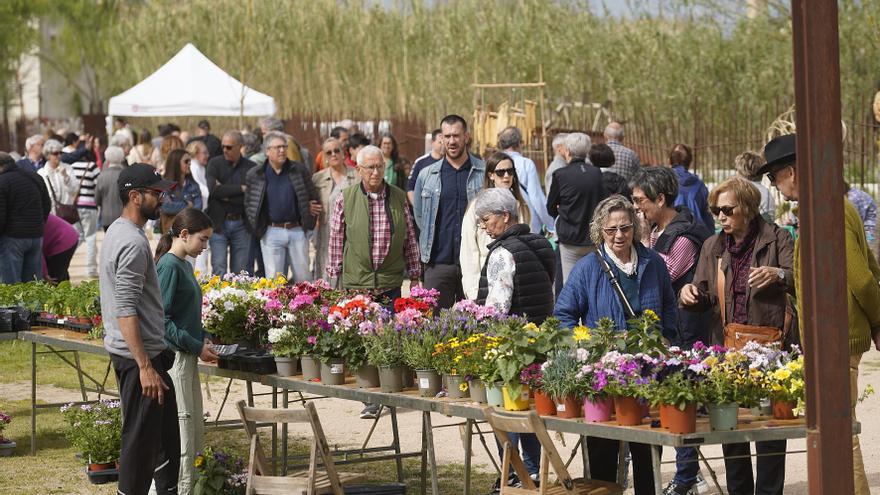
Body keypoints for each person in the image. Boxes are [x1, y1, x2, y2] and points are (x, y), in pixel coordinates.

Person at [760, 133, 880, 495]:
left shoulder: (826, 209)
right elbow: (870, 265)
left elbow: (860, 278)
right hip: (833, 335)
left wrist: (878, 320)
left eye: (774, 177)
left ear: (792, 172)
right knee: (838, 431)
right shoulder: (830, 205)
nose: (775, 186)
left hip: (836, 337)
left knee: (840, 432)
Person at [554, 194, 676, 495]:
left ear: (635, 226)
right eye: (611, 230)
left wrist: (667, 340)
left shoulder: (653, 263)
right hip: (604, 376)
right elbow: (564, 315)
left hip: (647, 374)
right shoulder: (588, 268)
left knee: (648, 452)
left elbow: (670, 310)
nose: (619, 235)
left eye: (625, 227)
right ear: (600, 231)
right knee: (602, 456)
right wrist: (585, 348)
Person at [680, 176, 793, 495]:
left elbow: (802, 280)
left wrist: (778, 274)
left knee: (770, 432)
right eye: (716, 210)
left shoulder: (778, 238)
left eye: (727, 210)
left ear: (747, 208)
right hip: (727, 349)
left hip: (771, 349)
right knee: (732, 431)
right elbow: (704, 295)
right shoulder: (712, 246)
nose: (720, 217)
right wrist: (690, 294)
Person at [630, 166, 712, 495]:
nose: (637, 208)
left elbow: (655, 274)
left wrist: (638, 236)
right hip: (669, 329)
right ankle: (664, 477)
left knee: (681, 403)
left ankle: (687, 478)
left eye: (640, 202)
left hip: (686, 332)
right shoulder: (659, 230)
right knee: (661, 406)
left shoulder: (682, 236)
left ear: (660, 199)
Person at [99, 163, 179, 495]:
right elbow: (125, 307)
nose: (162, 198)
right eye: (156, 193)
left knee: (164, 441)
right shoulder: (131, 242)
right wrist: (145, 366)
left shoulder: (119, 230)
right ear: (135, 196)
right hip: (139, 359)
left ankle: (167, 489)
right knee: (140, 443)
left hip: (141, 353)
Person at [473, 188, 553, 491]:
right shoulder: (541, 244)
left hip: (510, 346)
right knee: (529, 411)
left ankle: (512, 472)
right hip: (538, 341)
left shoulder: (503, 253)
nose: (483, 226)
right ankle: (532, 472)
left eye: (485, 219)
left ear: (504, 216)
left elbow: (496, 308)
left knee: (507, 412)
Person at [154, 208, 219, 494]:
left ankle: (192, 488)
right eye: (202, 240)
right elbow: (162, 320)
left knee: (194, 430)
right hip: (176, 359)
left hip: (189, 354)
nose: (205, 247)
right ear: (184, 234)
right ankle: (178, 489)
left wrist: (202, 338)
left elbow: (186, 314)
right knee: (183, 432)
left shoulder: (185, 264)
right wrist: (195, 345)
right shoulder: (168, 266)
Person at [326, 144, 421, 295]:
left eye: (379, 167)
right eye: (370, 167)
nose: (376, 173)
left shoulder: (399, 197)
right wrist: (333, 278)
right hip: (357, 285)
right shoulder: (345, 198)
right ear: (359, 170)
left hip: (390, 284)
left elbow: (409, 238)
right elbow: (336, 240)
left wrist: (415, 275)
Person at [413, 115, 486, 308]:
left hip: (474, 262)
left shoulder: (483, 173)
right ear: (441, 139)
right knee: (436, 328)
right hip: (438, 263)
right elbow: (420, 216)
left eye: (456, 135)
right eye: (447, 136)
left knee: (475, 327)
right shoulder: (426, 175)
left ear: (466, 137)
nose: (452, 141)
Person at [244, 130, 320, 282]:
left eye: (284, 146)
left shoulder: (298, 170)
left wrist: (308, 210)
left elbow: (312, 196)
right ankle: (276, 307)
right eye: (277, 147)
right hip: (271, 231)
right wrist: (260, 229)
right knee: (274, 280)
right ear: (267, 151)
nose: (282, 150)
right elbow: (249, 204)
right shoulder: (256, 174)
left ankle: (306, 306)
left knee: (303, 279)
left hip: (297, 230)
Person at [460, 151, 531, 300]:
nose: (506, 176)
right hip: (486, 280)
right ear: (491, 175)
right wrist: (473, 291)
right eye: (500, 172)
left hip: (517, 280)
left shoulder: (521, 205)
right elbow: (469, 249)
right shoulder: (476, 205)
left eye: (510, 171)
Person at [546, 132, 608, 283]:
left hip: (569, 238)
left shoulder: (560, 174)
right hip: (593, 237)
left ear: (567, 150)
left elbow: (551, 207)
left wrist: (562, 214)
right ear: (587, 151)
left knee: (571, 282)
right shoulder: (596, 173)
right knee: (593, 280)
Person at [206, 131, 256, 275]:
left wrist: (225, 193)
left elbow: (251, 197)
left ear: (240, 146)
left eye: (229, 147)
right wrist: (241, 188)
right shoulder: (215, 163)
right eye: (223, 147)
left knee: (240, 272)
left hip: (241, 224)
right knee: (218, 268)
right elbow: (213, 191)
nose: (225, 150)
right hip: (218, 223)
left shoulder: (251, 167)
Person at [0, 152, 51, 283]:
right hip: (35, 236)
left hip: (12, 238)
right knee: (33, 285)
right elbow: (47, 204)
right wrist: (39, 225)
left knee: (11, 286)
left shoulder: (2, 181)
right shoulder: (35, 177)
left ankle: (14, 305)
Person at [312, 137, 358, 281]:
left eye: (336, 150)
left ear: (343, 153)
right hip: (326, 233)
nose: (333, 154)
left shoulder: (357, 176)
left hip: (351, 232)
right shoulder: (317, 179)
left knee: (349, 271)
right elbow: (307, 200)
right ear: (324, 157)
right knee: (326, 272)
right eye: (329, 152)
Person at [497, 126, 555, 235]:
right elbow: (536, 197)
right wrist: (550, 225)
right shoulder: (526, 164)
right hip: (528, 223)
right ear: (519, 143)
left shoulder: (495, 163)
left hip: (502, 222)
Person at [668, 144, 714, 232]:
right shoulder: (700, 185)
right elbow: (708, 217)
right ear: (689, 163)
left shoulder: (663, 181)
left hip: (670, 234)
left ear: (669, 161)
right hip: (698, 235)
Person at [70, 151, 101, 278]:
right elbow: (98, 186)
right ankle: (91, 269)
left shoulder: (72, 166)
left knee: (78, 236)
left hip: (75, 207)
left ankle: (65, 257)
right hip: (89, 206)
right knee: (90, 236)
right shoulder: (92, 166)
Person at [160, 149, 202, 235]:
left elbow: (198, 208)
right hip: (171, 232)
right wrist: (187, 205)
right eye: (186, 161)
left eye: (190, 161)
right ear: (176, 163)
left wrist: (178, 207)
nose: (189, 164)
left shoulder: (194, 185)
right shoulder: (165, 185)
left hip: (190, 231)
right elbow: (166, 207)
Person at [186, 140, 212, 273]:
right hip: (196, 215)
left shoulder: (201, 167)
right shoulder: (193, 167)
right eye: (204, 152)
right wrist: (215, 190)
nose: (207, 155)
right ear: (195, 153)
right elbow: (202, 190)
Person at [38, 139, 80, 215]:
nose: (59, 156)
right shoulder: (42, 173)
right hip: (50, 214)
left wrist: (66, 177)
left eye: (61, 153)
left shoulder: (68, 168)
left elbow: (75, 190)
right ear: (48, 155)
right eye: (55, 153)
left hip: (66, 212)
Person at [734, 151, 776, 223]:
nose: (736, 173)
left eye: (737, 170)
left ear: (743, 171)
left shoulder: (743, 191)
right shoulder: (766, 192)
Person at [407, 129, 445, 204]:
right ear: (432, 142)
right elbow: (410, 187)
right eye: (440, 142)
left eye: (445, 142)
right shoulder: (421, 162)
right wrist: (416, 207)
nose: (443, 145)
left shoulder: (451, 163)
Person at [95, 146, 126, 231]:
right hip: (123, 216)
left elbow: (97, 200)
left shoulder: (102, 176)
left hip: (106, 217)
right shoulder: (125, 175)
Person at [42, 213, 79, 283]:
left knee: (55, 278)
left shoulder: (31, 219)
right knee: (60, 274)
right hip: (66, 234)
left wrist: (44, 273)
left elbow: (37, 252)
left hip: (64, 239)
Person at [845, 181, 877, 248]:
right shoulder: (852, 195)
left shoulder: (853, 198)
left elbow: (857, 220)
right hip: (868, 224)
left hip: (870, 223)